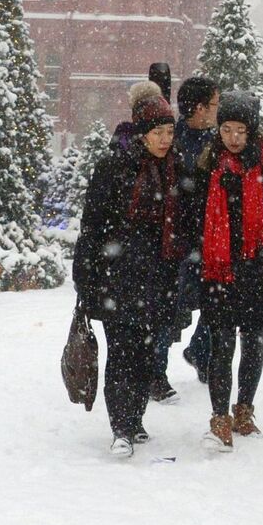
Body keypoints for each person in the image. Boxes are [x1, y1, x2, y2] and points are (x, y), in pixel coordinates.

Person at [73, 91, 185, 458]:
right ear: (142, 134)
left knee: (145, 354)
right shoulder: (115, 167)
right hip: (117, 278)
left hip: (158, 279)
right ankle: (120, 426)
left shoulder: (175, 168)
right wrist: (85, 277)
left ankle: (135, 420)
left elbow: (182, 226)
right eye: (159, 133)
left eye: (169, 131)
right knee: (121, 353)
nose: (165, 140)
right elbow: (91, 226)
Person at [195, 92, 263, 451]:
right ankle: (218, 418)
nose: (233, 138)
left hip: (258, 267)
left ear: (252, 130)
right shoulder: (208, 164)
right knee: (222, 344)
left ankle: (244, 410)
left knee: (254, 342)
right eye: (226, 129)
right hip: (220, 269)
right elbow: (193, 218)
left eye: (240, 130)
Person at [158, 76, 221, 399]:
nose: (216, 110)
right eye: (213, 104)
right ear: (197, 108)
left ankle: (200, 350)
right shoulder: (174, 140)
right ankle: (156, 372)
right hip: (180, 240)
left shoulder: (217, 141)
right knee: (170, 309)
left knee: (217, 303)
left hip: (210, 240)